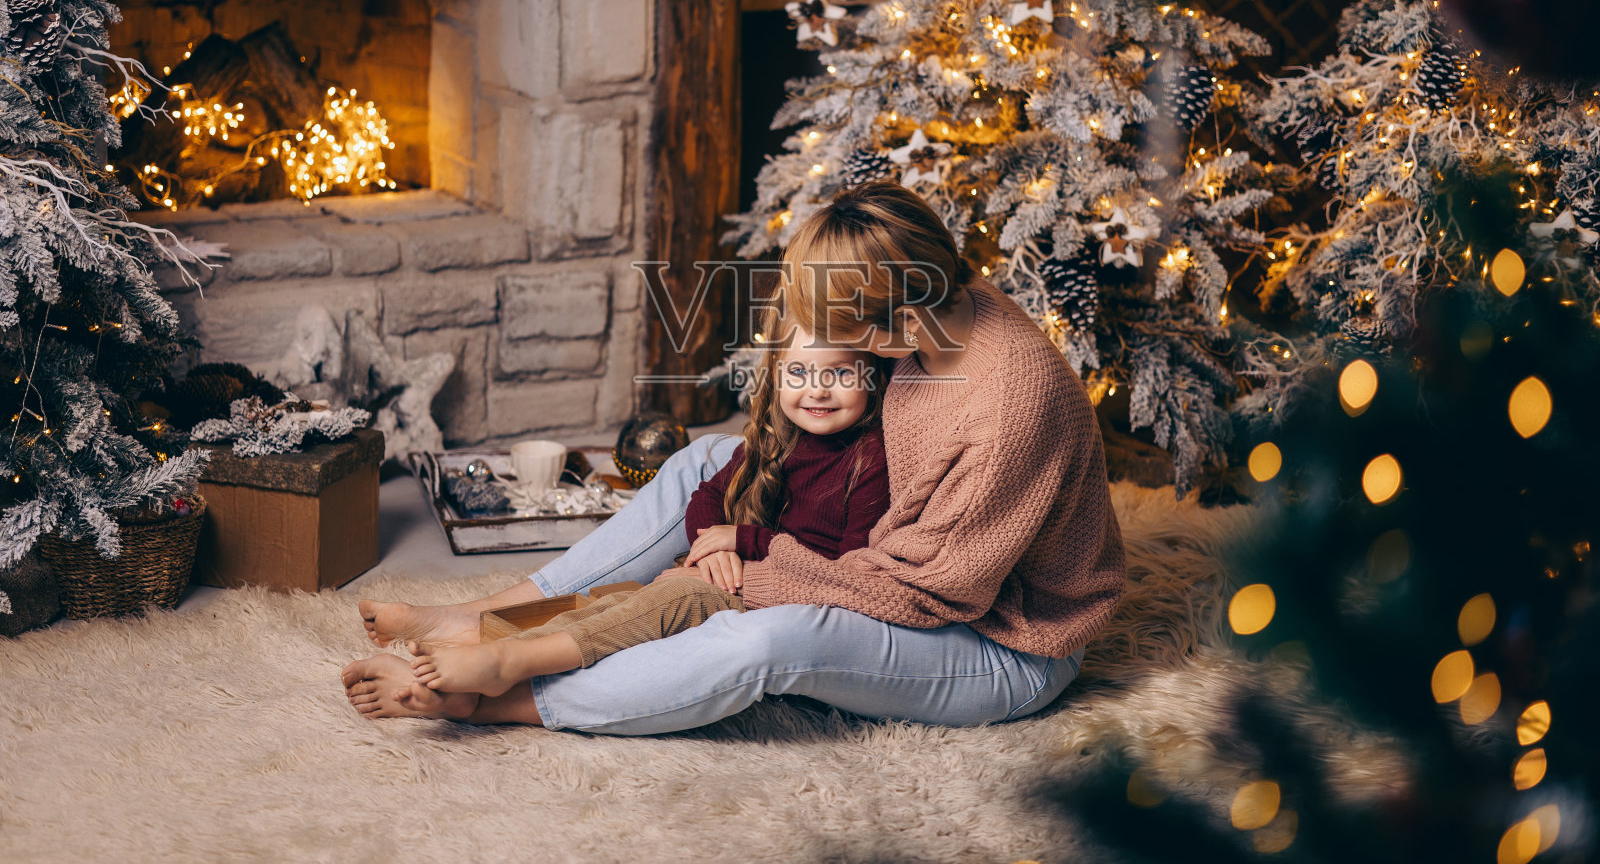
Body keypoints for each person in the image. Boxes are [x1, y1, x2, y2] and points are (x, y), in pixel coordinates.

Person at [343, 180, 1125, 732]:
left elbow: (926, 595)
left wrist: (750, 563)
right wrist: (742, 509)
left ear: (894, 315)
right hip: (886, 551)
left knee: (767, 636)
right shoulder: (937, 297)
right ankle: (489, 615)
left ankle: (503, 699)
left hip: (1002, 638)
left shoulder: (1005, 409)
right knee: (699, 464)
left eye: (841, 327)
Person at [395, 320, 892, 714]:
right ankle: (485, 635)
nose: (818, 391)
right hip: (738, 577)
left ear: (870, 377)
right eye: (800, 374)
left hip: (787, 603)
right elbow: (706, 497)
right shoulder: (775, 437)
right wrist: (709, 546)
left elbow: (840, 569)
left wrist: (743, 542)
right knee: (621, 605)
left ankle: (505, 664)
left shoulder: (870, 459)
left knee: (670, 597)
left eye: (840, 374)